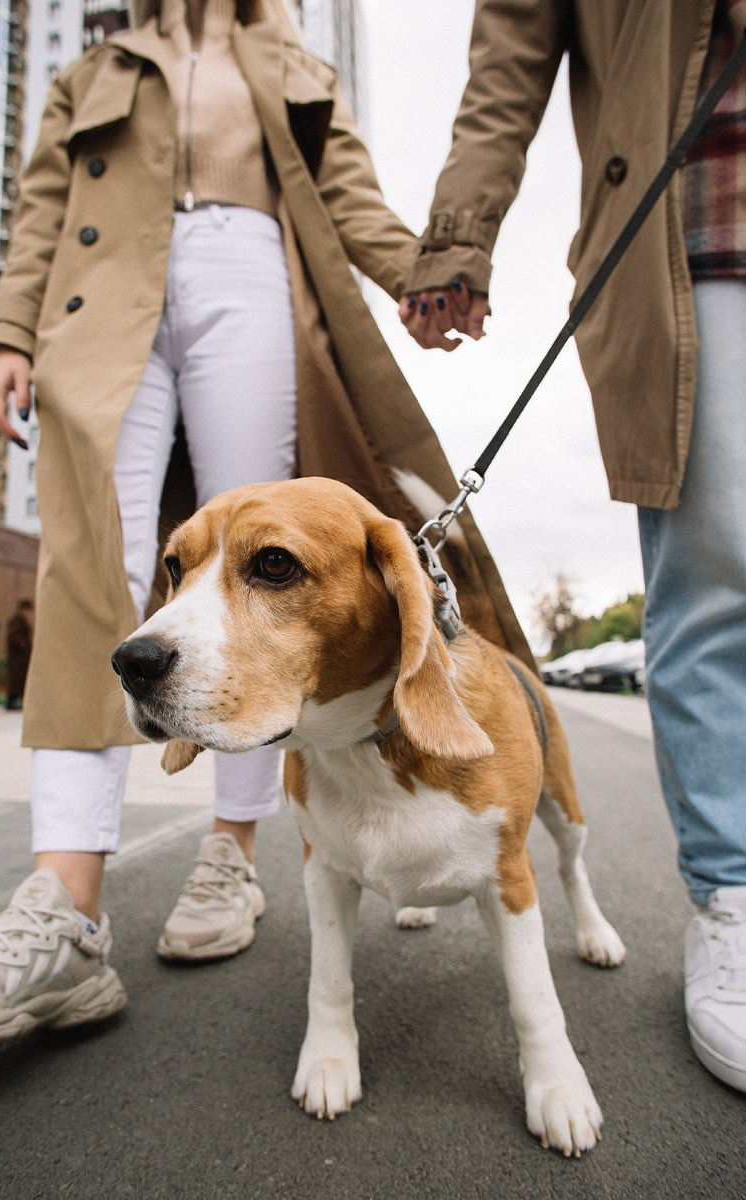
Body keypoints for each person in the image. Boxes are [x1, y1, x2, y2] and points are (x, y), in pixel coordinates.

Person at [0, 0, 533, 1047]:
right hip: (99, 290)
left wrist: (426, 274)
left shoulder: (287, 53)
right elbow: (39, 211)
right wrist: (6, 331)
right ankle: (66, 906)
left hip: (252, 276)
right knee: (93, 568)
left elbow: (347, 194)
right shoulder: (92, 67)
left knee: (263, 574)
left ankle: (232, 849)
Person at [400, 0, 746, 1093]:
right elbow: (506, 60)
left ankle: (638, 893)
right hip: (696, 217)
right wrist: (454, 241)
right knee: (715, 576)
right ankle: (732, 896)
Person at [5, 599, 34, 711]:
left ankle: (14, 700)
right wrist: (26, 646)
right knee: (17, 679)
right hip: (18, 657)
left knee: (19, 679)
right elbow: (15, 636)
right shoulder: (17, 621)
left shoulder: (21, 621)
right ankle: (12, 701)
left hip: (21, 656)